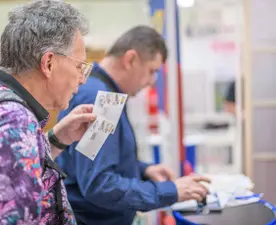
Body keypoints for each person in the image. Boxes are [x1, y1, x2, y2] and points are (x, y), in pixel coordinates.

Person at [56, 26, 211, 225]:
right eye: (151, 71)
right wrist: (170, 191)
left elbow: (91, 165)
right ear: (131, 59)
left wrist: (143, 170)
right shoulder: (103, 100)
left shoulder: (101, 90)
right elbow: (98, 185)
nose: (151, 81)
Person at [0, 0, 96, 224]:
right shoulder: (14, 122)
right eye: (80, 66)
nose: (81, 79)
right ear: (49, 63)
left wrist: (56, 139)